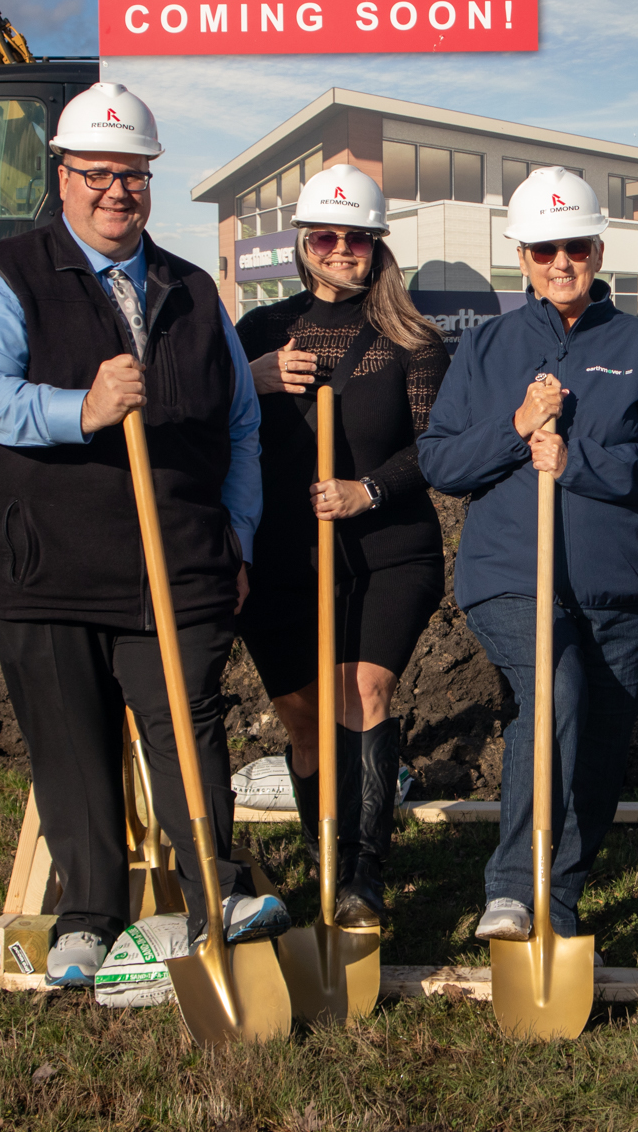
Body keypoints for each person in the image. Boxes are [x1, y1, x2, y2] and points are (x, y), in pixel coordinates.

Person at [0, 82, 288, 987]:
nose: (116, 192)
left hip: (177, 557)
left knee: (188, 721)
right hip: (46, 561)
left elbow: (242, 426)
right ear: (62, 175)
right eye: (96, 173)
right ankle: (90, 913)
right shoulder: (6, 274)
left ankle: (217, 888)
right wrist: (80, 408)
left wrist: (238, 535)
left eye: (132, 175)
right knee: (72, 734)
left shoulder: (190, 288)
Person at [418, 167, 638, 947]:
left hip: (623, 584)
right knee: (555, 692)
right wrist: (517, 424)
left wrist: (581, 461)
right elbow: (441, 463)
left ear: (599, 249)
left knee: (599, 754)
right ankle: (510, 885)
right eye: (544, 250)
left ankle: (557, 902)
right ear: (523, 258)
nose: (560, 262)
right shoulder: (489, 346)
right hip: (513, 574)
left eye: (574, 246)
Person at [234, 163, 450, 929]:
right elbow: (214, 424)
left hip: (388, 549)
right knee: (303, 717)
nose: (340, 249)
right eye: (325, 235)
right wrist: (253, 379)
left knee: (362, 692)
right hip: (283, 556)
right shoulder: (260, 333)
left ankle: (364, 874)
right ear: (302, 243)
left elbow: (440, 448)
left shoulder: (410, 337)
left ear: (377, 243)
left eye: (355, 236)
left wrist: (370, 490)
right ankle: (327, 853)